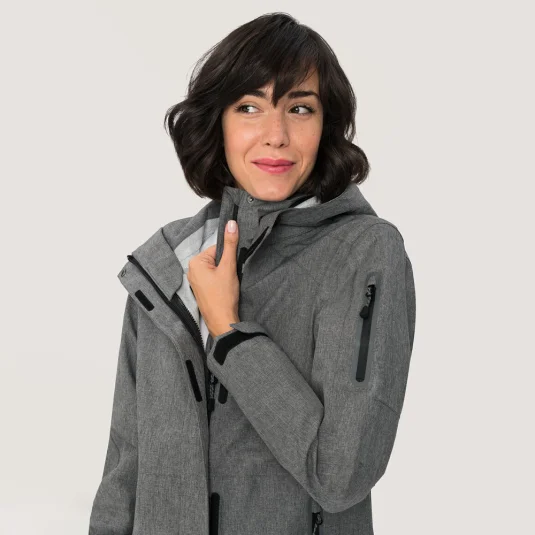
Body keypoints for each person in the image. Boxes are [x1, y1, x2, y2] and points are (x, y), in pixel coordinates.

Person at [88, 12, 416, 535]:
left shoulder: (364, 254)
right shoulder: (168, 261)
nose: (276, 135)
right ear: (217, 122)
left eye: (300, 109)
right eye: (249, 107)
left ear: (326, 126)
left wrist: (230, 333)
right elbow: (126, 468)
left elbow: (341, 475)